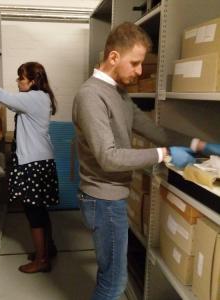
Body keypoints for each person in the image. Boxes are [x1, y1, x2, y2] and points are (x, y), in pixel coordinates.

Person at [72, 22, 218, 300]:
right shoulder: (91, 96)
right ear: (113, 57)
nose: (140, 71)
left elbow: (151, 128)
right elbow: (109, 157)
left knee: (112, 276)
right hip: (102, 200)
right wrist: (164, 154)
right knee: (113, 283)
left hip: (112, 198)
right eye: (135, 63)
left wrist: (197, 144)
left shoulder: (118, 93)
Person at [0, 62, 59, 273]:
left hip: (33, 164)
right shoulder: (39, 98)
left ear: (33, 81)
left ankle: (41, 260)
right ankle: (47, 249)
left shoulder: (34, 98)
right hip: (39, 162)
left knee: (34, 214)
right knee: (40, 210)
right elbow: (10, 103)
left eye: (21, 78)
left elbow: (4, 97)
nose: (18, 82)